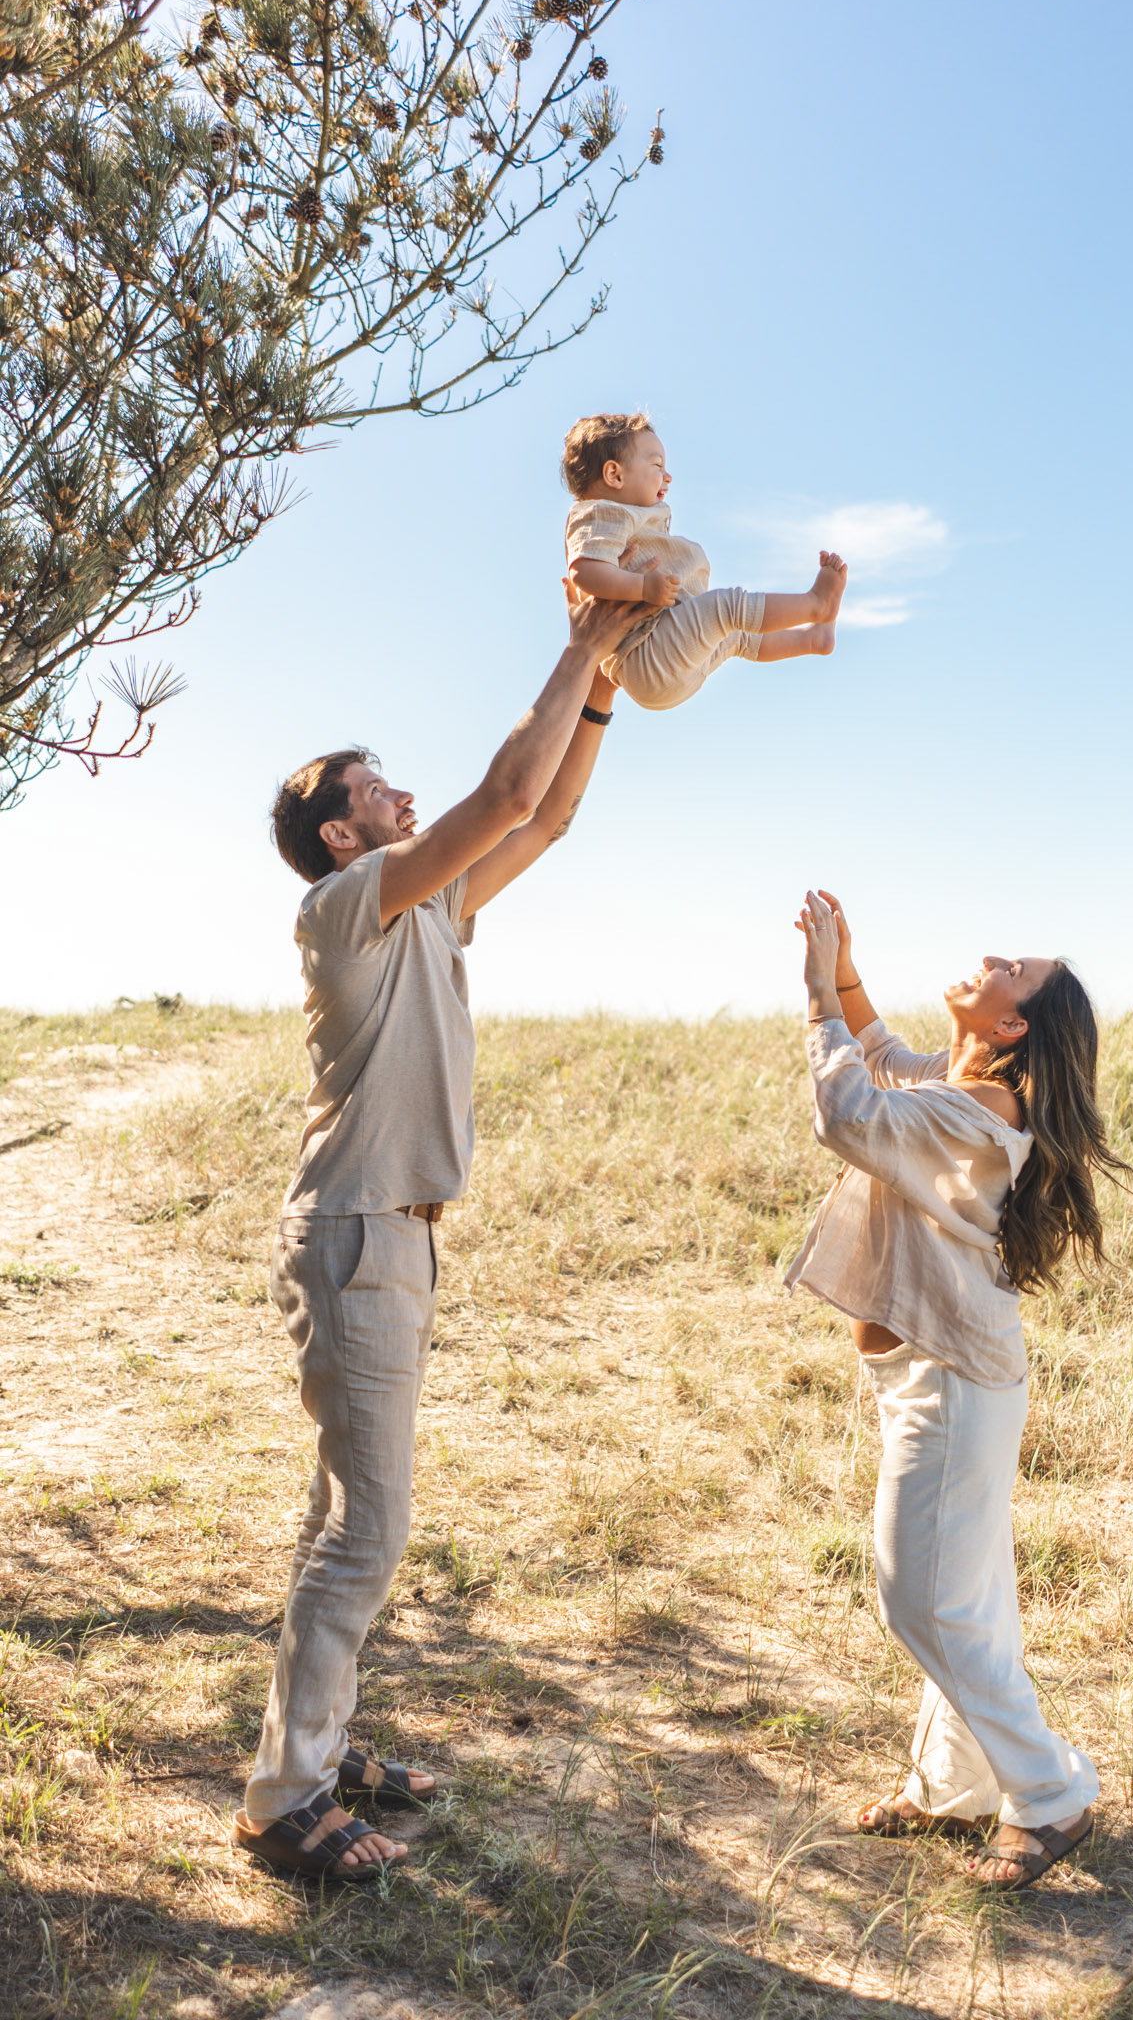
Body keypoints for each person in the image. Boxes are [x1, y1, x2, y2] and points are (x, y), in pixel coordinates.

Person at [232, 583, 643, 1882]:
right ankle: (285, 1800)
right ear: (342, 830)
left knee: (335, 1519)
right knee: (366, 1532)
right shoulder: (345, 907)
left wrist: (606, 683)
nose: (404, 796)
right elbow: (504, 799)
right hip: (357, 1232)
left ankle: (322, 1740)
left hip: (387, 1235)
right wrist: (582, 636)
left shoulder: (424, 914)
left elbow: (551, 810)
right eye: (381, 787)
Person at [787, 889, 1130, 1893]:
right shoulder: (967, 1081)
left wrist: (816, 989)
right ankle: (955, 1786)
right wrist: (846, 967)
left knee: (921, 1599)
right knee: (965, 1595)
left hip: (954, 1381)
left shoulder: (983, 1111)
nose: (991, 957)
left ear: (1014, 1023)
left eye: (1011, 970)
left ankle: (1049, 1792)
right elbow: (886, 1056)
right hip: (934, 1374)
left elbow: (849, 1109)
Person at [561, 411, 848, 710]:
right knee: (729, 607)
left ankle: (814, 638)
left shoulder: (629, 515)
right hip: (649, 655)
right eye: (657, 465)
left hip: (665, 661)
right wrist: (643, 588)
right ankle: (816, 604)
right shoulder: (597, 512)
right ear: (614, 475)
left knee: (737, 636)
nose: (668, 476)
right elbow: (585, 570)